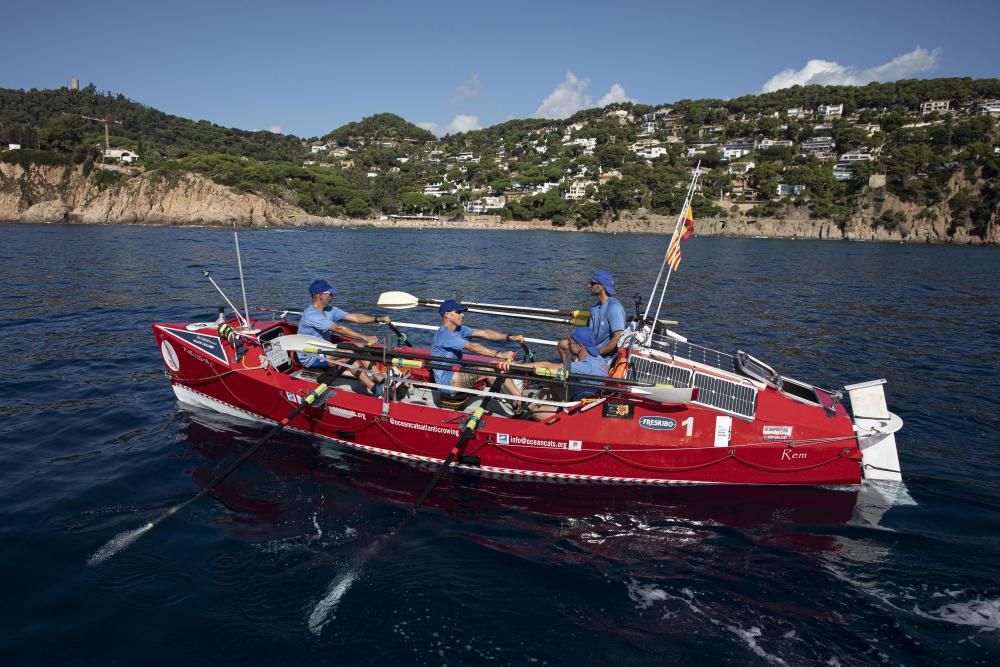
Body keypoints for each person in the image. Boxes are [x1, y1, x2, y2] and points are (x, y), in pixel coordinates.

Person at [297, 279, 392, 395]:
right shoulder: (311, 315)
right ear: (320, 295)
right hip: (311, 355)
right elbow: (338, 329)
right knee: (349, 355)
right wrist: (365, 337)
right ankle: (375, 389)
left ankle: (383, 380)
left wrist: (378, 319)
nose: (332, 295)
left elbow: (355, 317)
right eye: (329, 293)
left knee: (359, 347)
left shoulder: (331, 311)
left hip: (325, 349)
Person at [505, 327, 609, 421]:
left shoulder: (583, 367)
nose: (568, 345)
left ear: (580, 346)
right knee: (552, 383)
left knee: (535, 412)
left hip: (580, 409)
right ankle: (556, 407)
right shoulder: (597, 358)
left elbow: (546, 366)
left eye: (570, 342)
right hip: (586, 398)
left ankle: (561, 418)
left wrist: (513, 366)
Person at [431, 299, 525, 403]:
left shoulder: (460, 329)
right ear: (447, 315)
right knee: (493, 367)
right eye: (458, 312)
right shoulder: (444, 334)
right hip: (447, 383)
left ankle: (512, 399)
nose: (462, 315)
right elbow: (471, 347)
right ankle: (519, 401)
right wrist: (500, 354)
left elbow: (485, 333)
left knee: (495, 368)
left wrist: (510, 337)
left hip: (456, 374)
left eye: (462, 312)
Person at [559, 269, 626, 363]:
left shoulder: (614, 307)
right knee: (562, 344)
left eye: (592, 283)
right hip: (590, 349)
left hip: (602, 356)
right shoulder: (595, 308)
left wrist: (597, 352)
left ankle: (575, 369)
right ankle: (569, 373)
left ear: (602, 286)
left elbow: (617, 338)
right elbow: (590, 335)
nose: (589, 285)